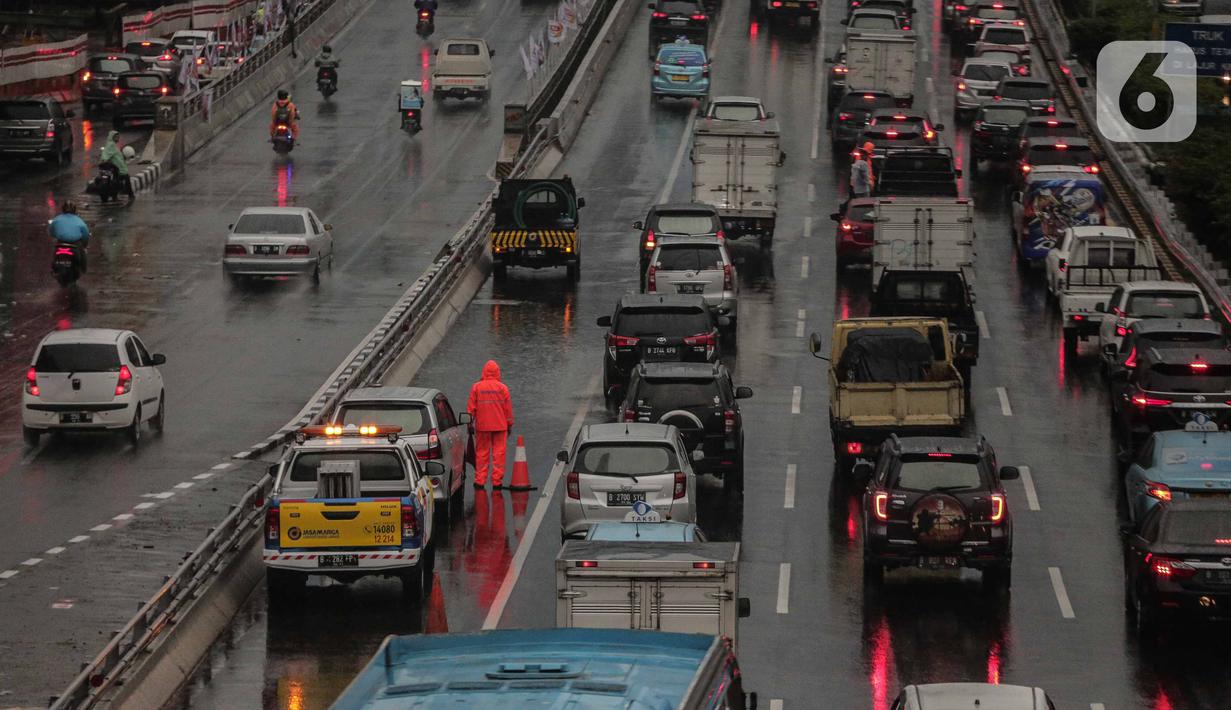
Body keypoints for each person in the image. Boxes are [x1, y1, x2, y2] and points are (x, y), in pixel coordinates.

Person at [467, 360, 514, 489]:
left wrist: (469, 424)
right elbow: (508, 410)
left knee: (482, 453)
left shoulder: (476, 387)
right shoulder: (503, 388)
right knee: (499, 454)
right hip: (500, 427)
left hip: (482, 427)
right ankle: (497, 482)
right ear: (497, 372)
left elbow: (471, 409)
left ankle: (480, 481)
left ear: (484, 372)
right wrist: (509, 424)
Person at [48, 200, 91, 271]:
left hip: (60, 244)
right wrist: (84, 245)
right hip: (75, 245)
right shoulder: (79, 220)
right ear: (74, 210)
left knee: (54, 256)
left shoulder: (56, 219)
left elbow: (51, 231)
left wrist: (57, 235)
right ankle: (83, 270)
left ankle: (54, 270)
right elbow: (85, 235)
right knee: (83, 256)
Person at [99, 130, 136, 202]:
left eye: (118, 136)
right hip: (115, 167)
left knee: (117, 180)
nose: (117, 138)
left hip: (112, 167)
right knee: (125, 177)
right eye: (116, 137)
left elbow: (115, 156)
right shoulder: (111, 145)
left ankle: (115, 196)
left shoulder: (112, 145)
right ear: (112, 137)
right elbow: (106, 156)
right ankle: (130, 195)